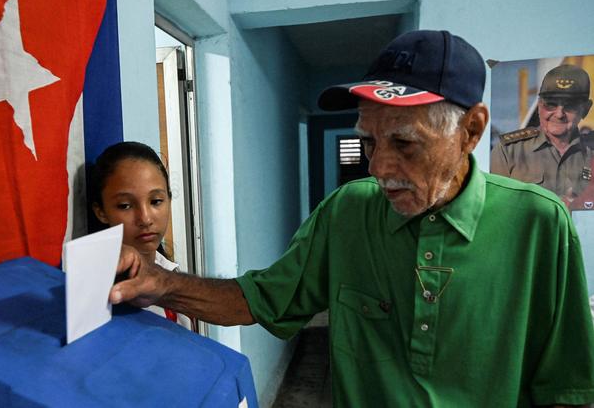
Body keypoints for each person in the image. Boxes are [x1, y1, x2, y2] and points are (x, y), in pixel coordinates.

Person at [108, 30, 594, 406]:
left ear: (471, 131)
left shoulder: (539, 225)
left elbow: (567, 388)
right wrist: (161, 283)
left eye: (404, 143)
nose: (377, 167)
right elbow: (258, 300)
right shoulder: (348, 212)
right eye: (369, 141)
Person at [90, 141, 192, 330]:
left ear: (169, 199)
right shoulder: (96, 293)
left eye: (156, 201)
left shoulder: (172, 272)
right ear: (101, 212)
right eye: (125, 206)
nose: (145, 219)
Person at [491, 64, 593, 209]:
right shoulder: (508, 151)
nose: (559, 114)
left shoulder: (591, 152)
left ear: (586, 109)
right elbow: (497, 210)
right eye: (550, 104)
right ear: (539, 105)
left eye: (570, 105)